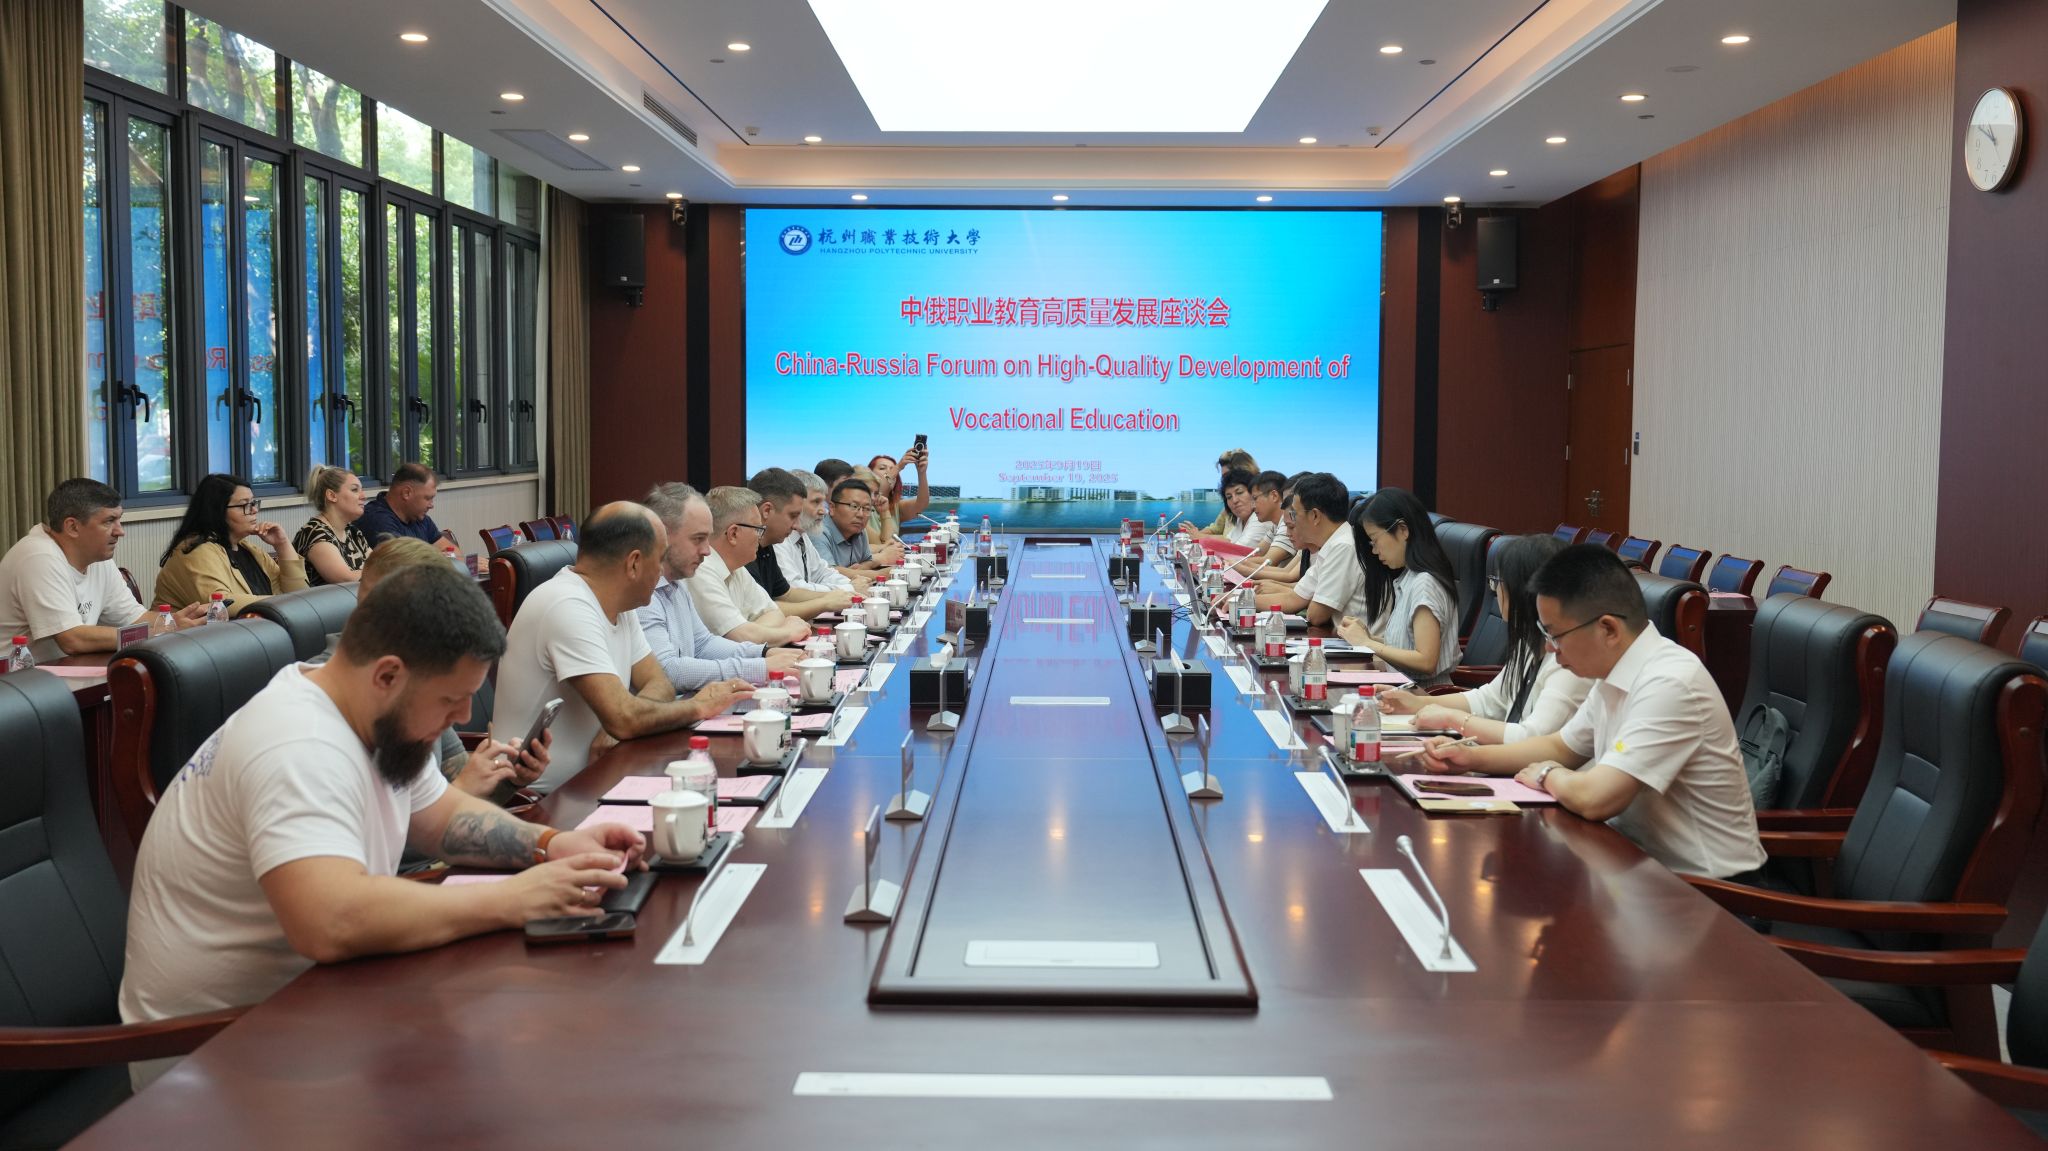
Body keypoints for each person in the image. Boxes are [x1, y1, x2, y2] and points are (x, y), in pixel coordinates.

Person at [118, 563, 646, 1089]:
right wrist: (514, 900)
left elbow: (443, 817)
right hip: (218, 1060)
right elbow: (332, 921)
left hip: (317, 1008)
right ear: (388, 675)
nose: (464, 716)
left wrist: (554, 844)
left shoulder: (372, 716)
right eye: (450, 699)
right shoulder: (299, 746)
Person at [1420, 545, 1765, 879]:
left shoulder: (1670, 683)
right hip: (1631, 864)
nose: (1549, 648)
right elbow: (1559, 747)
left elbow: (1596, 798)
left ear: (1608, 629)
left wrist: (1546, 774)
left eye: (1556, 634)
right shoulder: (1612, 673)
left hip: (1707, 889)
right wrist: (1469, 758)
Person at [496, 502, 751, 789]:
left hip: (602, 778)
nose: (661, 570)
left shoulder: (620, 604)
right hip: (543, 800)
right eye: (660, 559)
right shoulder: (567, 605)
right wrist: (699, 706)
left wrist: (618, 726)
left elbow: (659, 684)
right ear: (634, 563)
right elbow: (623, 717)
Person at [313, 539, 549, 802]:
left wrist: (509, 778)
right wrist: (462, 791)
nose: (464, 716)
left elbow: (448, 781)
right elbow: (403, 824)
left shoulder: (412, 674)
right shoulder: (323, 715)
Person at [1378, 534, 1590, 741]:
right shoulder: (1529, 642)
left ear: (1523, 590)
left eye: (1498, 581)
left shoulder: (1569, 661)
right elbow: (1490, 699)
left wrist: (1453, 720)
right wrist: (1416, 702)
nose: (1495, 590)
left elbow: (1532, 737)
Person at [0, 478, 205, 660]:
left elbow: (135, 619)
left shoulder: (98, 558)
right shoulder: (38, 556)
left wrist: (176, 621)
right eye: (109, 521)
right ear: (72, 527)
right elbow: (72, 639)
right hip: (15, 681)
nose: (120, 531)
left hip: (60, 674)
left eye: (119, 519)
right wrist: (160, 631)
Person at [639, 482, 804, 691]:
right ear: (661, 535)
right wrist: (760, 666)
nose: (707, 551)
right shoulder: (641, 593)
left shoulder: (677, 583)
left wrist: (764, 653)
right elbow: (667, 671)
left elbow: (703, 644)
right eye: (698, 539)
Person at [1334, 487, 1462, 684]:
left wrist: (1366, 643)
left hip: (1424, 694)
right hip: (1401, 686)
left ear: (1403, 530)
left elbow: (1426, 660)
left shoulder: (1425, 584)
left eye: (1375, 540)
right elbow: (1407, 647)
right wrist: (1368, 637)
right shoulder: (1408, 577)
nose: (1375, 551)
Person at [156, 474, 310, 611]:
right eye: (245, 505)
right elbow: (220, 603)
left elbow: (300, 596)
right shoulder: (196, 550)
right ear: (218, 511)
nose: (254, 510)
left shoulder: (249, 549)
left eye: (253, 503)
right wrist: (281, 604)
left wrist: (282, 545)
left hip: (251, 629)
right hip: (191, 634)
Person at [686, 486, 813, 646]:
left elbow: (775, 613)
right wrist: (787, 632)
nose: (760, 537)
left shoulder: (737, 567)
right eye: (758, 530)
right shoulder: (700, 569)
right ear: (733, 534)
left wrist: (752, 632)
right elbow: (737, 638)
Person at [744, 467, 852, 620]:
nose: (796, 525)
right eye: (793, 515)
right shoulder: (745, 550)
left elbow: (786, 593)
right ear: (766, 510)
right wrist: (825, 602)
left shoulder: (767, 545)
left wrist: (839, 595)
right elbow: (765, 609)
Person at [1253, 472, 1351, 624]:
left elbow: (1315, 615)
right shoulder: (1329, 545)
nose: (1292, 521)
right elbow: (1293, 599)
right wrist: (1238, 600)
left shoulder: (1343, 546)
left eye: (1295, 514)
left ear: (1315, 516)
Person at [778, 470, 865, 594]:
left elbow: (822, 573)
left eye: (823, 503)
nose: (823, 511)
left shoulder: (801, 535)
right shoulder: (779, 540)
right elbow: (793, 588)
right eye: (816, 502)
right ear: (795, 503)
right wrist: (849, 588)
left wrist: (851, 584)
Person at [294, 464, 371, 587]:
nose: (363, 496)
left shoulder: (352, 532)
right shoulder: (316, 533)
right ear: (332, 496)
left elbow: (378, 564)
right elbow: (347, 580)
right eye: (354, 490)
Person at [356, 462, 449, 548]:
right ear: (406, 493)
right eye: (428, 498)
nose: (431, 505)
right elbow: (405, 560)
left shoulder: (419, 517)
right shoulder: (377, 521)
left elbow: (451, 551)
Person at [816, 477, 896, 576]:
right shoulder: (819, 532)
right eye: (854, 506)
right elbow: (827, 573)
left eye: (867, 508)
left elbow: (866, 562)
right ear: (832, 508)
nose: (861, 515)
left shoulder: (859, 531)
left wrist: (853, 572)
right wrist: (880, 575)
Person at [864, 445, 930, 548]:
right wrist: (898, 467)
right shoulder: (863, 502)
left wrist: (921, 472)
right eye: (882, 468)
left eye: (892, 469)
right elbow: (879, 492)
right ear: (869, 474)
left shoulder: (896, 506)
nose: (889, 472)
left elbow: (921, 504)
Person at [1199, 449, 1259, 535]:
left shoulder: (1260, 512)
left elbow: (1232, 541)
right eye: (1223, 478)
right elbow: (1215, 529)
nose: (1225, 481)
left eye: (1228, 476)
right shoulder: (1230, 507)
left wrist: (1199, 536)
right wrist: (1193, 535)